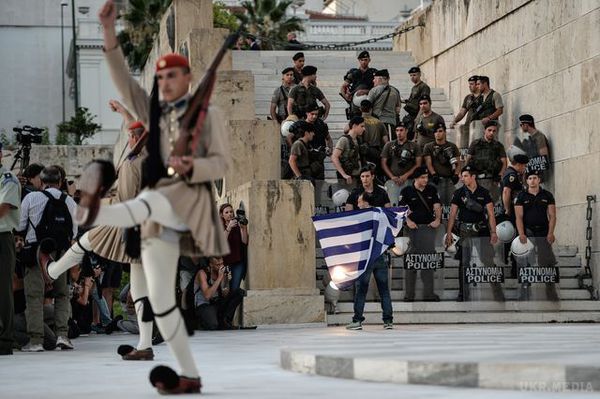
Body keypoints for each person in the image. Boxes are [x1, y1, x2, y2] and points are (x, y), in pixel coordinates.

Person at [71, 1, 232, 393]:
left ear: (186, 78)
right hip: (155, 210)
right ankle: (183, 372)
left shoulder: (205, 117)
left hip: (179, 206)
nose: (165, 84)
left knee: (142, 217)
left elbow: (221, 164)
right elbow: (124, 81)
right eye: (161, 78)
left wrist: (191, 166)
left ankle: (96, 215)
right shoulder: (155, 113)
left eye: (172, 77)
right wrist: (108, 32)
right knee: (159, 299)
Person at [40, 104, 152, 360]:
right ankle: (145, 345)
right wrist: (124, 112)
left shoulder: (134, 164)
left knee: (86, 240)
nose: (128, 136)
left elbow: (126, 196)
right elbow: (135, 129)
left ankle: (52, 270)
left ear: (135, 139)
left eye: (131, 135)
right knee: (141, 290)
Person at [18, 166, 77, 352]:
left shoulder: (31, 197)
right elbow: (74, 232)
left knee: (34, 296)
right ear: (60, 182)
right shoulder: (69, 201)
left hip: (36, 252)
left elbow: (20, 225)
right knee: (61, 295)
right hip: (60, 254)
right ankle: (62, 335)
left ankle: (36, 341)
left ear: (41, 182)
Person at [446, 165, 504, 302]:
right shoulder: (459, 193)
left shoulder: (484, 192)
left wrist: (494, 232)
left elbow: (491, 214)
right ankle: (463, 293)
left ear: (473, 177)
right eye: (462, 176)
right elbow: (453, 215)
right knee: (464, 262)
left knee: (488, 261)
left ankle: (497, 292)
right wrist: (449, 232)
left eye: (465, 175)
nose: (462, 178)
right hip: (465, 232)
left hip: (482, 231)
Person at [346, 191, 393, 330]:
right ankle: (388, 321)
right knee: (384, 290)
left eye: (359, 201)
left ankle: (357, 320)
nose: (357, 203)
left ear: (365, 202)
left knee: (361, 290)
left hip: (366, 257)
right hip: (380, 256)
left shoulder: (360, 216)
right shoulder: (380, 214)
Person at [399, 167, 442, 302]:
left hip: (428, 230)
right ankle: (409, 295)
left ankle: (429, 294)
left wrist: (438, 220)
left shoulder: (431, 189)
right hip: (412, 230)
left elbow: (437, 206)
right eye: (423, 177)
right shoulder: (406, 191)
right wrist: (408, 221)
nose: (426, 180)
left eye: (426, 177)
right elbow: (401, 210)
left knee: (428, 262)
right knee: (411, 262)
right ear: (416, 178)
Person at [514, 170, 558, 301]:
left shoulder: (547, 195)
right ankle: (524, 291)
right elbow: (518, 217)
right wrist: (521, 234)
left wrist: (551, 233)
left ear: (539, 180)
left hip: (543, 232)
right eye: (530, 178)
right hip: (528, 232)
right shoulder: (521, 196)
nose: (532, 180)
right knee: (526, 262)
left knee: (547, 262)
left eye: (535, 178)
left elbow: (552, 216)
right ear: (526, 181)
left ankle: (551, 292)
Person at [0, 143, 21, 355]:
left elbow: (3, 209)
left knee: (3, 289)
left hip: (2, 237)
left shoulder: (8, 179)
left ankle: (4, 339)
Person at [194, 257, 244, 330]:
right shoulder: (202, 273)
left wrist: (226, 280)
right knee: (213, 325)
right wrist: (219, 278)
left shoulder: (221, 272)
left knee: (239, 293)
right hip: (204, 304)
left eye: (222, 263)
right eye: (218, 265)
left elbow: (224, 294)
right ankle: (202, 322)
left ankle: (225, 321)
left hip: (216, 302)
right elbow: (207, 296)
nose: (221, 266)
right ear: (211, 264)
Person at [381, 122, 422, 206]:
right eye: (397, 130)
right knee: (394, 205)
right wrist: (392, 176)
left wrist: (405, 176)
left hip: (409, 180)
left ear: (406, 131)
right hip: (393, 180)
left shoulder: (414, 145)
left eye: (401, 130)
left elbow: (418, 164)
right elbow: (383, 163)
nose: (399, 133)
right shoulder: (389, 145)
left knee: (410, 205)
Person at [466, 120, 507, 204]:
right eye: (489, 130)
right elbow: (468, 160)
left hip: (492, 180)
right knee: (477, 203)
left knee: (492, 203)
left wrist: (500, 175)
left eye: (494, 131)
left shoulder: (498, 145)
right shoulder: (475, 143)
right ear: (484, 130)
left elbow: (504, 162)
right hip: (477, 179)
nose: (492, 133)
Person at [423, 123, 461, 206]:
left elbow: (458, 163)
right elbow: (428, 163)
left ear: (445, 132)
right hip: (435, 180)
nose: (438, 133)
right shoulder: (428, 146)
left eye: (440, 131)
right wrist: (433, 174)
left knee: (450, 204)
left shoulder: (452, 146)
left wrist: (456, 175)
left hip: (449, 179)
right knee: (435, 204)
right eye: (436, 132)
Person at [219, 204, 248, 291]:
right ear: (221, 215)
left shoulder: (238, 225)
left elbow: (244, 241)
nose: (230, 214)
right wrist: (229, 228)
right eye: (226, 212)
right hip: (224, 263)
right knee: (224, 290)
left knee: (235, 288)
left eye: (231, 212)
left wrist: (243, 229)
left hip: (237, 261)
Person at [358, 99, 388, 183]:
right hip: (376, 152)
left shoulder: (357, 121)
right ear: (371, 109)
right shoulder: (379, 122)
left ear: (360, 109)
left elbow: (346, 130)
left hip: (362, 153)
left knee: (364, 177)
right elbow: (386, 141)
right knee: (375, 175)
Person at [331, 116, 364, 189]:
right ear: (354, 126)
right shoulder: (344, 140)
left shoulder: (358, 139)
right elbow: (334, 157)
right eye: (361, 126)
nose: (363, 129)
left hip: (357, 175)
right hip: (348, 177)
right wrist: (344, 174)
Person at [367, 69, 401, 138]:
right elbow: (397, 109)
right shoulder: (395, 91)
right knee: (389, 144)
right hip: (390, 123)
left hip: (375, 123)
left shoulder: (374, 90)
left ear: (380, 79)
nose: (373, 81)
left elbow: (367, 106)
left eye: (375, 79)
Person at [450, 75, 479, 149]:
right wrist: (454, 121)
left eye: (472, 84)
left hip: (479, 126)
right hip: (468, 126)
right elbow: (462, 112)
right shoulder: (468, 98)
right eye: (469, 84)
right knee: (465, 149)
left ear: (477, 84)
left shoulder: (484, 96)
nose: (469, 86)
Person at [403, 66, 431, 140]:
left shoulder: (424, 87)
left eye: (414, 75)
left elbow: (424, 103)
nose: (412, 77)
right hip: (411, 114)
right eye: (411, 75)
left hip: (417, 114)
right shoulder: (414, 87)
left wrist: (418, 117)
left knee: (414, 136)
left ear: (419, 75)